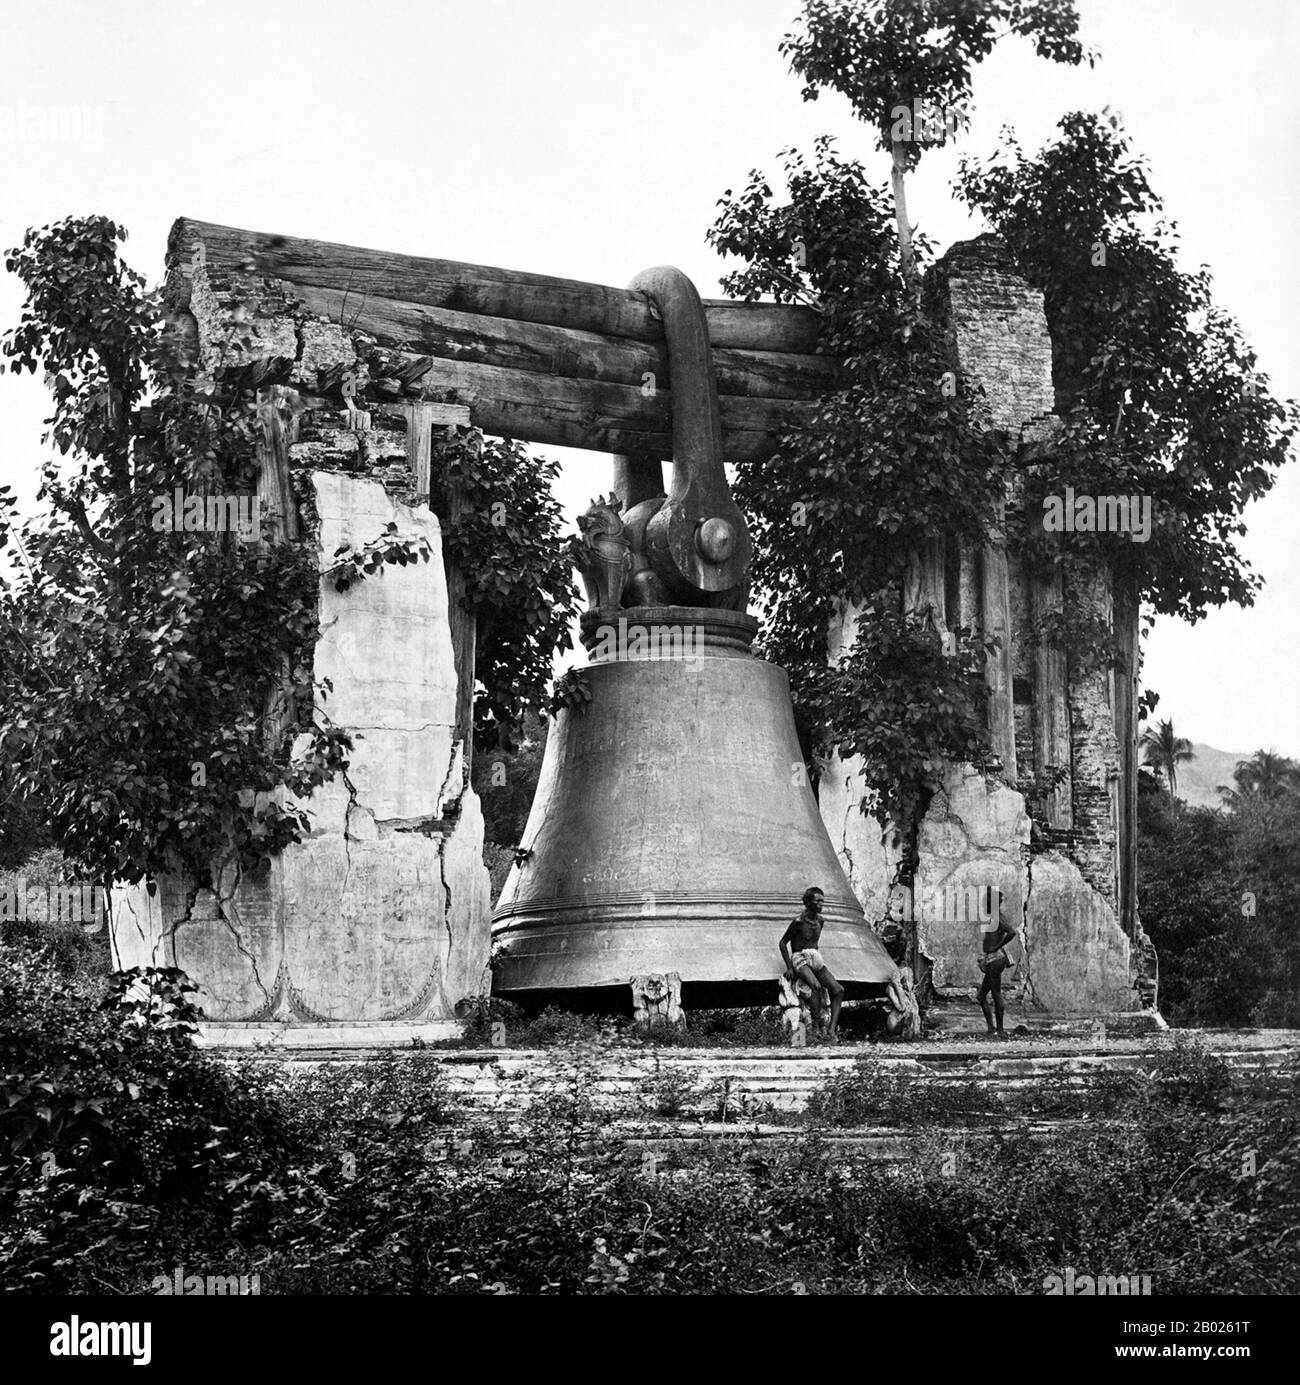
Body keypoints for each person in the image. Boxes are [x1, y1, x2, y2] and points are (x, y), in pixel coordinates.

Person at [779, 886, 844, 1041]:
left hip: (815, 957)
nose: (821, 905)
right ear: (808, 903)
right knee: (816, 987)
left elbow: (814, 943)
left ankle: (831, 1030)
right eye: (817, 901)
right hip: (799, 957)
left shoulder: (820, 921)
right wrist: (789, 967)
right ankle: (815, 1027)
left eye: (823, 901)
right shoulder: (798, 922)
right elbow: (782, 943)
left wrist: (815, 961)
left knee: (839, 990)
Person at [976, 903, 1018, 1037]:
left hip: (995, 960)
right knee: (982, 995)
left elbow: (1011, 932)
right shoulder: (996, 917)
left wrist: (997, 947)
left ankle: (999, 1030)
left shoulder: (997, 918)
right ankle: (992, 1028)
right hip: (993, 959)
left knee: (996, 994)